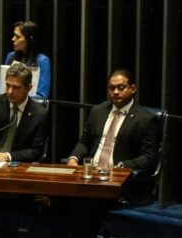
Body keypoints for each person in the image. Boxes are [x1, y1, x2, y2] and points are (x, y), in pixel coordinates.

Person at [67, 70, 161, 198]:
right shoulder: (98, 111)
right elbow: (85, 141)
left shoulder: (146, 119)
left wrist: (121, 166)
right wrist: (73, 158)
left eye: (121, 88)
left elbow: (148, 157)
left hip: (120, 179)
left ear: (132, 89)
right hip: (91, 174)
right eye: (112, 88)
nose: (115, 92)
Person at [0, 63, 49, 169]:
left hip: (17, 166)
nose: (10, 91)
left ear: (29, 88)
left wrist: (8, 156)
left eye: (16, 87)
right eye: (8, 85)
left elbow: (36, 151)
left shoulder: (40, 114)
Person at [0, 21, 51, 99]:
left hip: (30, 106)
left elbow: (41, 95)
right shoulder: (11, 56)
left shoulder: (42, 61)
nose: (13, 39)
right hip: (7, 103)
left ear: (29, 39)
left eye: (17, 36)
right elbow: (0, 87)